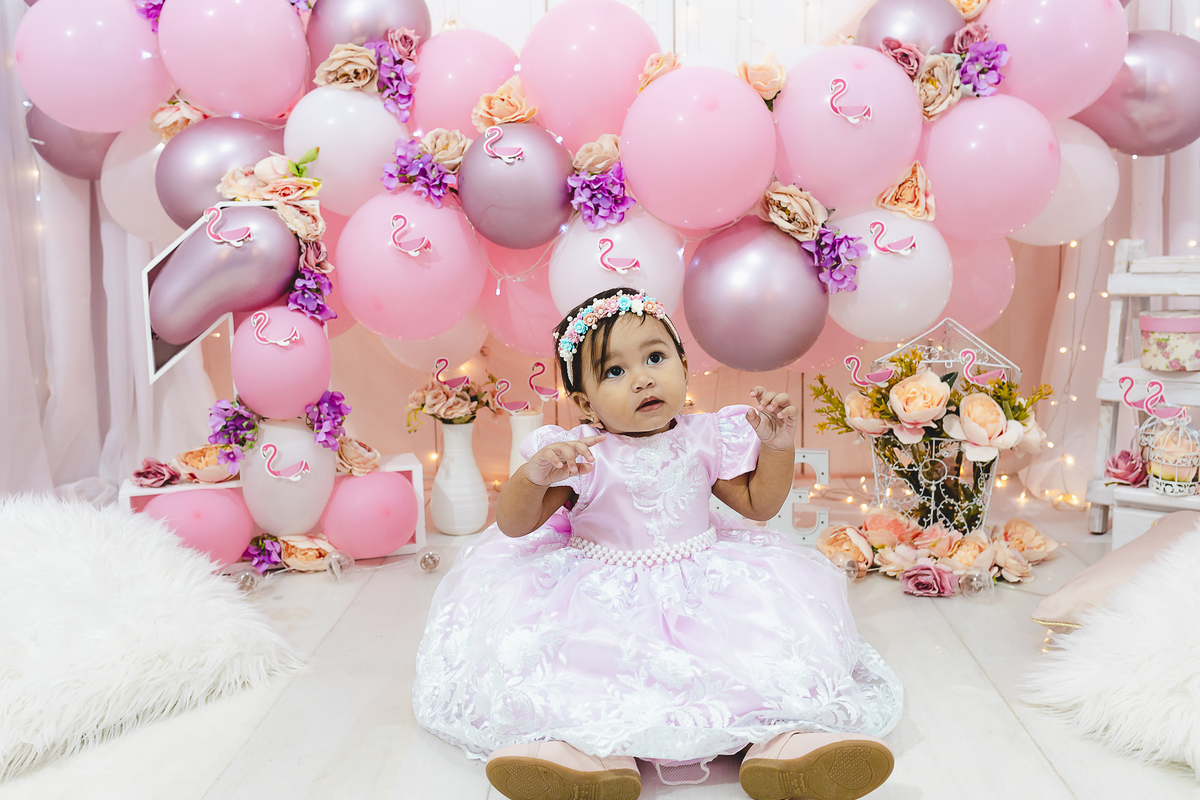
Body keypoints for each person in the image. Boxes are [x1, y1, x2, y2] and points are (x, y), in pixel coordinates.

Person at [412, 287, 902, 800]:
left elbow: (758, 505)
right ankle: (588, 755)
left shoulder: (706, 436)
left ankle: (785, 744)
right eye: (614, 371)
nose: (643, 378)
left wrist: (777, 447)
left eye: (655, 358)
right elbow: (516, 525)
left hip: (705, 583)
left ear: (683, 366)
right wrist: (532, 478)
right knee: (582, 669)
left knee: (761, 654)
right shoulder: (583, 454)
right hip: (602, 595)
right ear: (584, 403)